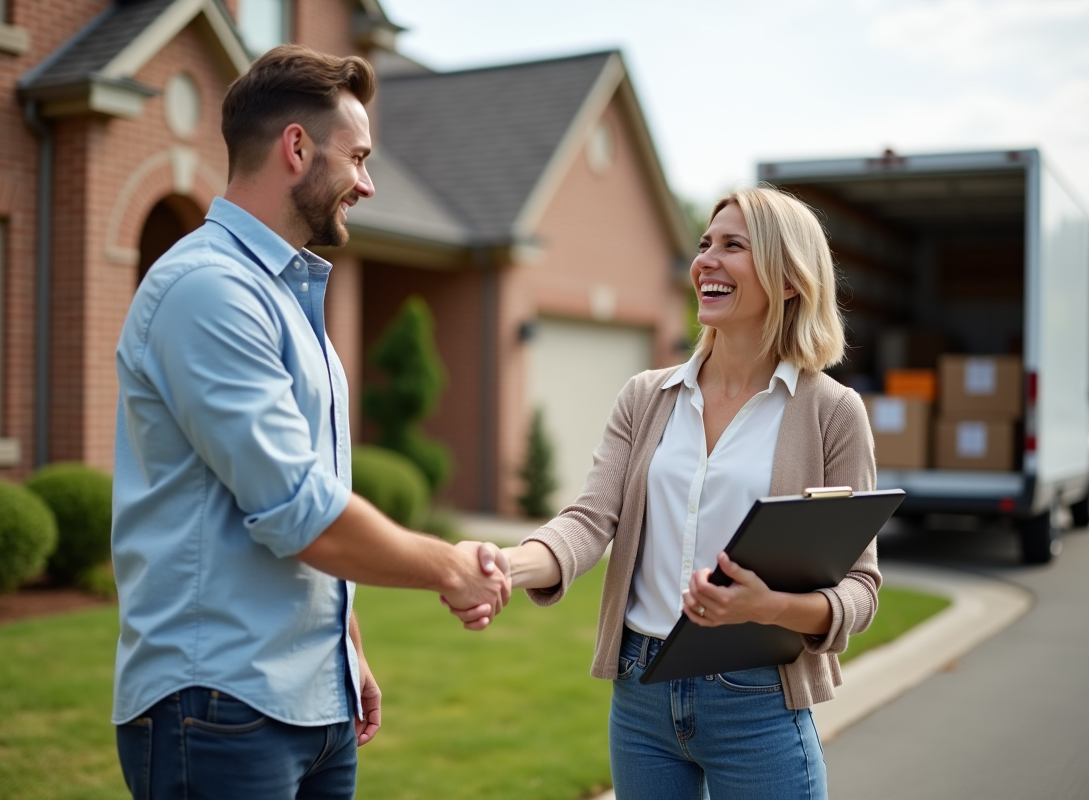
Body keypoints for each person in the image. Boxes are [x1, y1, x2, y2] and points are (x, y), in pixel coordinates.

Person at [111, 45, 510, 800]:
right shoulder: (208, 291)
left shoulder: (284, 299)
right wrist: (450, 568)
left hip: (306, 702)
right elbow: (299, 511)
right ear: (297, 147)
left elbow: (302, 495)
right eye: (357, 157)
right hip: (218, 706)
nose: (366, 182)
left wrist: (342, 646)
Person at [451, 186, 879, 799]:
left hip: (758, 700)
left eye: (734, 245)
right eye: (705, 244)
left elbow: (859, 588)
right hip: (642, 693)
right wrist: (508, 566)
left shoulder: (832, 414)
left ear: (789, 280)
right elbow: (592, 518)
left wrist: (769, 608)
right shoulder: (647, 397)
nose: (706, 259)